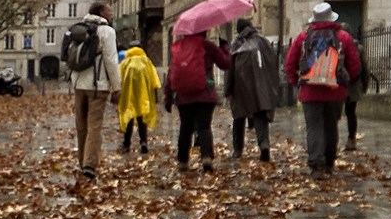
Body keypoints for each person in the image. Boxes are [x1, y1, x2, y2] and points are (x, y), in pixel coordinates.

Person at [282, 0, 365, 175]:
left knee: (314, 127)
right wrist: (345, 81)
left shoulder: (303, 38)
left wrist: (295, 82)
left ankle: (316, 164)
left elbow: (289, 64)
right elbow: (355, 65)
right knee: (331, 126)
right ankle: (328, 162)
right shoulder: (343, 37)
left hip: (310, 90)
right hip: (335, 91)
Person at [61, 0, 119, 181]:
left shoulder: (78, 28)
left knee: (81, 125)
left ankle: (82, 161)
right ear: (101, 11)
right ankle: (89, 165)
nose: (111, 14)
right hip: (97, 86)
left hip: (79, 84)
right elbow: (111, 61)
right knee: (94, 125)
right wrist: (117, 88)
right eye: (109, 10)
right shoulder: (107, 31)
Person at [225, 16, 281, 164]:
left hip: (240, 87)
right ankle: (264, 145)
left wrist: (227, 90)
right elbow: (272, 63)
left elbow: (229, 69)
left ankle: (238, 150)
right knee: (260, 116)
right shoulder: (263, 41)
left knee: (238, 116)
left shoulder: (236, 44)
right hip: (261, 85)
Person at [167, 23, 222, 170]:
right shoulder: (208, 47)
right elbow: (225, 64)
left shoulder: (179, 47)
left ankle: (183, 161)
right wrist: (224, 48)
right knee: (204, 127)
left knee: (185, 128)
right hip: (205, 94)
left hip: (184, 97)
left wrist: (168, 98)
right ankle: (206, 158)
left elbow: (171, 73)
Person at [115, 40, 162, 154]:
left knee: (128, 119)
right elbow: (154, 80)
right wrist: (156, 97)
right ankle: (143, 142)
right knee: (142, 120)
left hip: (128, 96)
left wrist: (115, 93)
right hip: (144, 96)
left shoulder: (125, 63)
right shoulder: (147, 62)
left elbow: (117, 79)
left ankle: (126, 144)